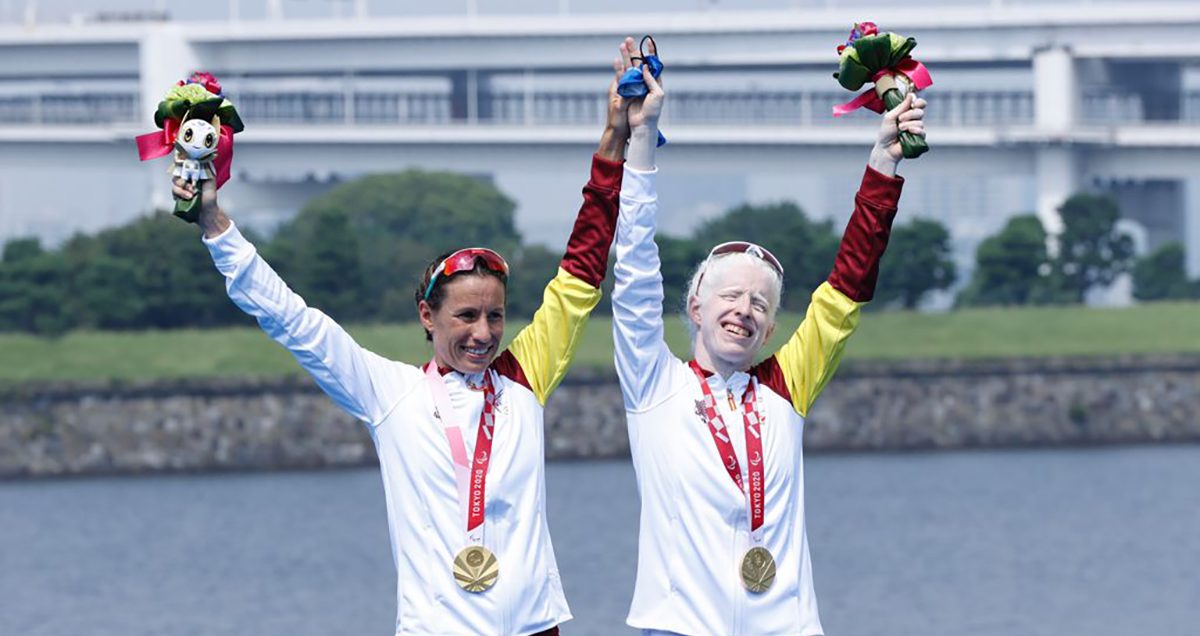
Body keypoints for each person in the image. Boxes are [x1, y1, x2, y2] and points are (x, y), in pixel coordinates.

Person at [173, 40, 646, 636]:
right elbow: (289, 318)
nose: (483, 334)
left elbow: (580, 270)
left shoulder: (527, 373)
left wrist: (614, 141)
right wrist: (215, 224)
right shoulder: (388, 393)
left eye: (495, 317)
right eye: (465, 318)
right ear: (428, 316)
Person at [611, 38, 928, 635]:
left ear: (772, 328)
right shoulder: (654, 383)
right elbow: (632, 269)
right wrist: (642, 139)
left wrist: (883, 164)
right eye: (730, 296)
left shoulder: (787, 386)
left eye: (760, 303)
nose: (744, 310)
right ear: (696, 307)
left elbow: (845, 292)